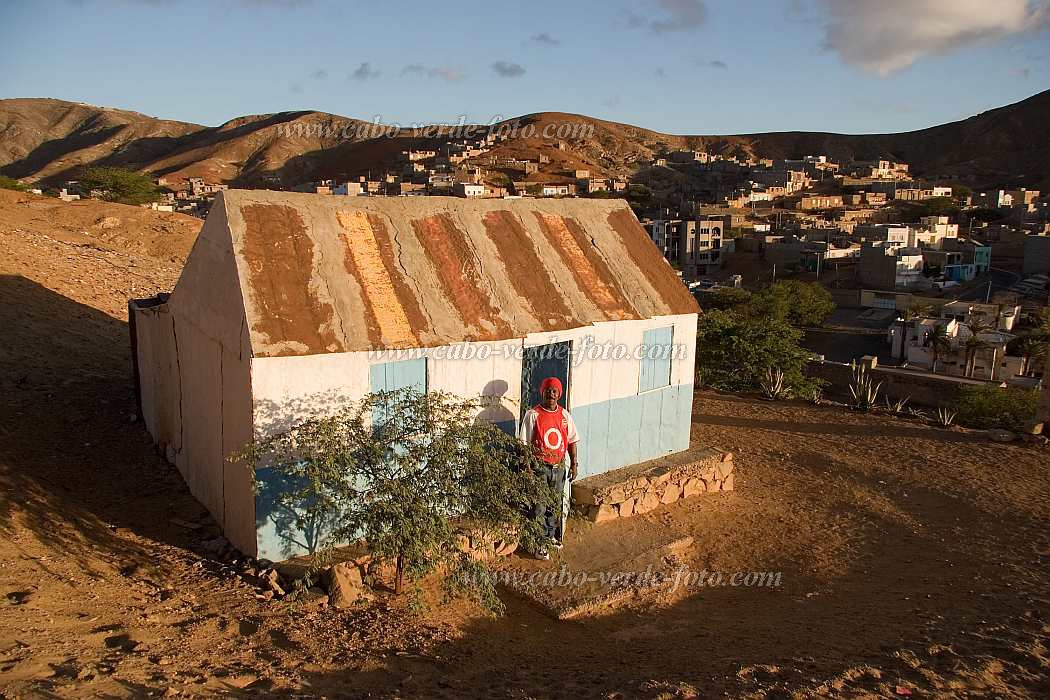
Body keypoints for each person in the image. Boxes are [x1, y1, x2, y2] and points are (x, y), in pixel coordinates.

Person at [518, 376, 579, 559]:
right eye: (548, 390)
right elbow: (524, 443)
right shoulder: (533, 415)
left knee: (554, 505)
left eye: (554, 391)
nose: (551, 394)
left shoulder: (564, 416)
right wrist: (527, 467)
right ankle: (538, 544)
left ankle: (550, 536)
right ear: (542, 392)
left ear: (559, 394)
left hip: (558, 467)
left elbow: (572, 441)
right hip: (539, 467)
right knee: (539, 506)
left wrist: (574, 464)